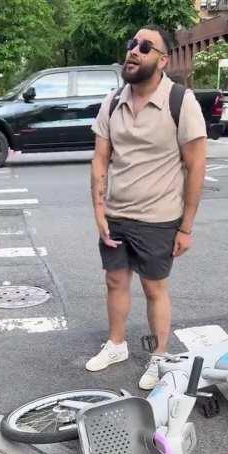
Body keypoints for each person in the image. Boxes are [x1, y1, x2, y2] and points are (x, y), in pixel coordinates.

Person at [87, 25, 207, 389]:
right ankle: (117, 344)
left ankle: (159, 357)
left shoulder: (180, 101)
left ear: (163, 60)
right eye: (131, 44)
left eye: (144, 46)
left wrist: (186, 227)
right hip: (116, 216)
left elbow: (196, 165)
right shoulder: (113, 101)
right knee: (115, 282)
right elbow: (99, 159)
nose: (134, 51)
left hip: (158, 218)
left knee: (154, 289)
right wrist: (98, 212)